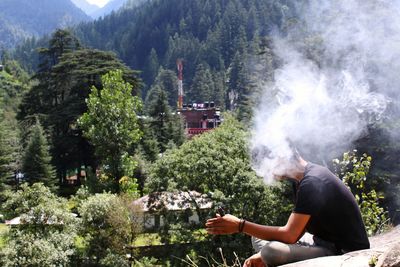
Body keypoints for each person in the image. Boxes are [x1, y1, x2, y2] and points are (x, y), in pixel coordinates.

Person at [205, 151, 370, 267]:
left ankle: (269, 259)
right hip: (320, 242)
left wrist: (240, 225)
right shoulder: (300, 180)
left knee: (270, 251)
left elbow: (290, 236)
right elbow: (296, 232)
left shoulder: (312, 182)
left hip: (342, 252)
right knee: (256, 238)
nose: (269, 173)